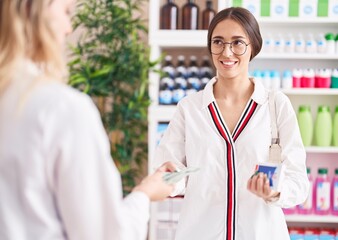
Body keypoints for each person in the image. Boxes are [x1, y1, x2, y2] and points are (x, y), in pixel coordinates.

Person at [0, 0, 175, 239]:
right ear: (33, 10)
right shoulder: (61, 108)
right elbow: (104, 235)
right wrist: (144, 194)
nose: (69, 28)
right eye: (66, 12)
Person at [155, 7, 310, 240]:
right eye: (218, 42)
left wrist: (276, 191)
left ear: (253, 47)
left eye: (238, 43)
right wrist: (168, 179)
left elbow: (298, 182)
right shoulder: (190, 108)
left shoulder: (275, 105)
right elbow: (171, 171)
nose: (227, 52)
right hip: (200, 233)